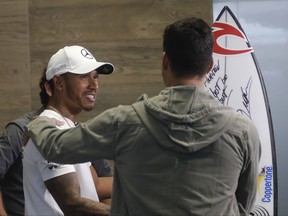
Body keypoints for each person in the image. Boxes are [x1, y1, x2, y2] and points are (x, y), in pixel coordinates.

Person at [27, 18, 261, 216]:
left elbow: (54, 146)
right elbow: (243, 205)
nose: (93, 85)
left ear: (164, 61)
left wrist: (38, 124)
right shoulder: (243, 131)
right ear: (210, 65)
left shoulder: (125, 122)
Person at [23, 45, 114, 215]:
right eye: (84, 76)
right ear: (58, 83)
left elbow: (94, 187)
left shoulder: (69, 129)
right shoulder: (49, 129)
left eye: (96, 77)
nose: (94, 85)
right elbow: (72, 204)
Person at [0, 110, 113, 216]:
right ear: (50, 89)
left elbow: (96, 185)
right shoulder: (20, 130)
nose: (94, 88)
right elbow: (71, 203)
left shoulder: (80, 133)